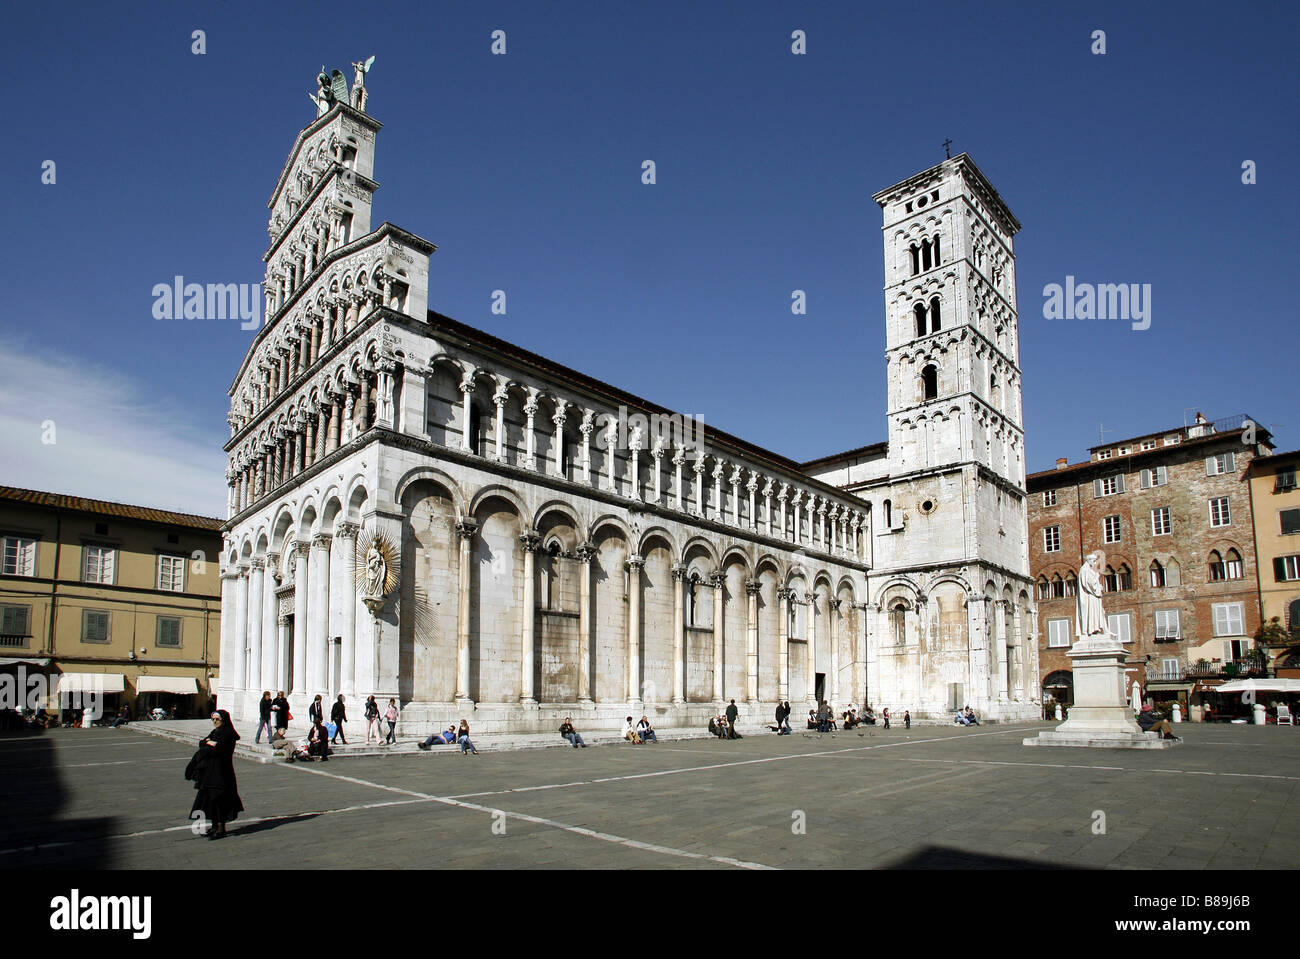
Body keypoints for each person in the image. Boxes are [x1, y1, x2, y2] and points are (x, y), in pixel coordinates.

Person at [189, 710, 245, 839]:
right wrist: (209, 743)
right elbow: (201, 743)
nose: (214, 722)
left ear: (223, 719)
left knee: (220, 799)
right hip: (210, 771)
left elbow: (217, 750)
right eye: (213, 719)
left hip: (222, 772)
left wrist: (209, 744)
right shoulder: (215, 732)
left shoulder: (228, 733)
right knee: (210, 799)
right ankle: (214, 826)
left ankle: (221, 828)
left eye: (217, 719)